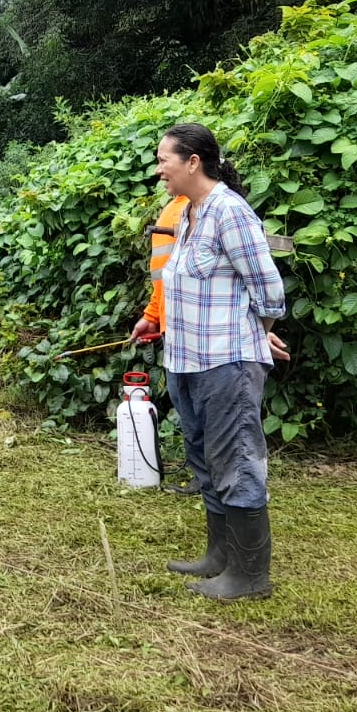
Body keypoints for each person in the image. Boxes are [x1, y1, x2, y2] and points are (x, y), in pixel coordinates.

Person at [134, 123, 285, 601]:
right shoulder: (189, 213)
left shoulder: (229, 212)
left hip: (226, 362)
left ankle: (249, 575)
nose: (159, 170)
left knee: (236, 459)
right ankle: (219, 555)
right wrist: (154, 319)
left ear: (192, 162)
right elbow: (184, 281)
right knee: (204, 456)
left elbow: (268, 288)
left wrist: (256, 335)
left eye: (164, 160)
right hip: (186, 358)